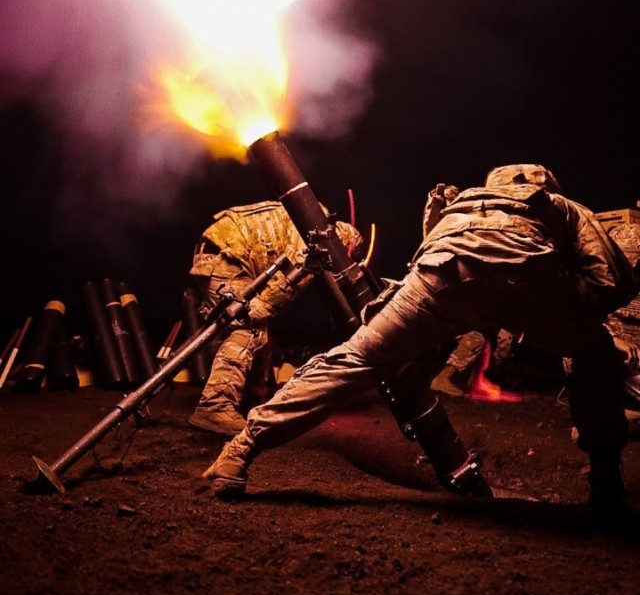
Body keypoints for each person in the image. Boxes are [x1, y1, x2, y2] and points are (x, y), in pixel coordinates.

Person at [204, 164, 639, 528]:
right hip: (524, 277)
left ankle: (239, 452)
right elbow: (612, 281)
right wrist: (570, 310)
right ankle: (605, 490)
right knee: (595, 355)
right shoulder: (561, 207)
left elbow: (428, 250)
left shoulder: (462, 203)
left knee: (355, 358)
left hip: (437, 276)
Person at [188, 200, 362, 436]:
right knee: (251, 325)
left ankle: (251, 396)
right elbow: (289, 283)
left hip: (223, 251)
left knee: (260, 323)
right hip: (226, 257)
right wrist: (260, 310)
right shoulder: (316, 233)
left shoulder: (312, 216)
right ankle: (215, 406)